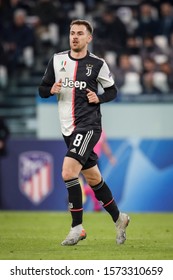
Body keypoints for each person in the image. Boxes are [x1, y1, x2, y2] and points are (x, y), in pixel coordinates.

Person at [38, 19, 130, 246]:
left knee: (68, 172)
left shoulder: (97, 64)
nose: (75, 37)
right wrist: (50, 89)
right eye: (72, 33)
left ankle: (76, 228)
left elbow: (112, 91)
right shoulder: (57, 60)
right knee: (93, 178)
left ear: (89, 38)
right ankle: (119, 218)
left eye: (80, 33)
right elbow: (42, 90)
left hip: (89, 125)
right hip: (67, 128)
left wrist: (98, 97)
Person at [83, 130, 117, 211]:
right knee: (94, 183)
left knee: (95, 183)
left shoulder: (100, 131)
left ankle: (96, 206)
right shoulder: (86, 128)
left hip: (95, 160)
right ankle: (76, 196)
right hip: (86, 159)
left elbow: (104, 145)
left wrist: (110, 157)